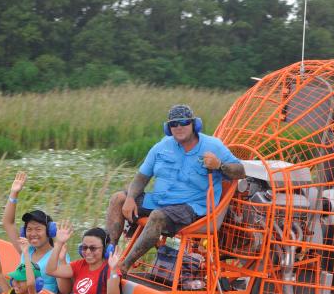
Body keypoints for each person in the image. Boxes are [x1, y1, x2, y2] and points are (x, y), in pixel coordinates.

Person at [105, 104, 245, 276]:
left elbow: (241, 171)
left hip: (192, 208)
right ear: (168, 128)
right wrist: (130, 198)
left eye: (184, 122)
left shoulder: (213, 145)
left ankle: (123, 267)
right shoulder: (161, 147)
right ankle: (107, 258)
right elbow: (141, 177)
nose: (179, 127)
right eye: (174, 124)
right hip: (160, 201)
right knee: (117, 198)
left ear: (194, 124)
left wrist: (219, 165)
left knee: (157, 216)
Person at [2, 171, 72, 294]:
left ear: (49, 231)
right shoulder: (26, 250)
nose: (33, 233)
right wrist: (14, 193)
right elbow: (8, 223)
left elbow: (65, 291)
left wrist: (61, 261)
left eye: (38, 229)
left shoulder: (58, 254)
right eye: (29, 229)